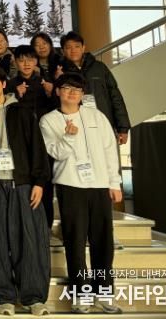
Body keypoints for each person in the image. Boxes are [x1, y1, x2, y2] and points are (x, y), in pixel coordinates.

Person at [39, 73, 123, 314]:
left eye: (77, 89)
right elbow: (55, 153)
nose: (72, 93)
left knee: (103, 243)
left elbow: (109, 150)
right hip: (70, 185)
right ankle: (81, 295)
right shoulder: (48, 120)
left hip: (99, 185)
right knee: (75, 242)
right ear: (58, 91)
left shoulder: (97, 116)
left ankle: (104, 293)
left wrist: (114, 182)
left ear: (82, 93)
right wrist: (69, 136)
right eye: (67, 88)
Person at [0, 65, 51, 316]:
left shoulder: (23, 111)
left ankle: (33, 298)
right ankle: (4, 297)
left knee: (29, 241)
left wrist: (39, 183)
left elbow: (37, 148)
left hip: (22, 184)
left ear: (4, 83)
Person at [6, 45, 58, 230]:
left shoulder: (46, 82)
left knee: (45, 181)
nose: (26, 64)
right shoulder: (10, 85)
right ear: (15, 62)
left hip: (45, 138)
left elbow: (58, 109)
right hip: (20, 142)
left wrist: (51, 93)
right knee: (25, 182)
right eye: (21, 60)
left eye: (30, 59)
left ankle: (46, 226)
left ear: (36, 61)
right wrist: (16, 95)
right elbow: (6, 112)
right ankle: (25, 224)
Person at [58, 31, 130, 145]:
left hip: (103, 123)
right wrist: (58, 79)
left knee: (106, 155)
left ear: (83, 48)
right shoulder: (59, 71)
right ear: (63, 51)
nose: (73, 50)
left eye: (77, 46)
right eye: (68, 47)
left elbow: (115, 97)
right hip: (75, 127)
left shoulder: (100, 68)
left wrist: (123, 128)